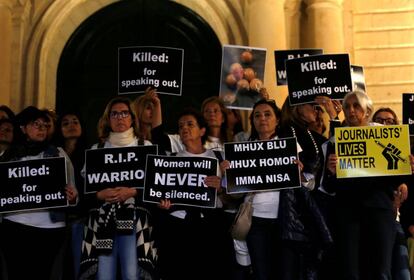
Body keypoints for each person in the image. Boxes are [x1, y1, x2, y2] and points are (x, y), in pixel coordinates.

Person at [324, 91, 413, 280]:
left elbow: (396, 180)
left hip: (380, 212)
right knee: (351, 272)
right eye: (347, 106)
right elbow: (329, 187)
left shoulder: (384, 138)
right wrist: (331, 172)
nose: (351, 110)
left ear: (367, 111)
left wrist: (406, 166)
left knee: (381, 271)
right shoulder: (336, 141)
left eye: (356, 106)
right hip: (348, 216)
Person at [79, 97, 157, 280]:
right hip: (102, 220)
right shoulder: (96, 149)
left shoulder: (145, 147)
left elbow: (155, 187)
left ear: (132, 118)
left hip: (136, 221)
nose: (120, 117)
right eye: (114, 114)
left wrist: (133, 192)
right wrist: (99, 194)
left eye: (124, 113)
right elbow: (84, 190)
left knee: (131, 274)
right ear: (108, 119)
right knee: (104, 275)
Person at [0, 106, 78, 280]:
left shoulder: (58, 153)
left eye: (45, 125)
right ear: (23, 128)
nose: (42, 128)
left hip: (49, 229)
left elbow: (73, 191)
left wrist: (72, 197)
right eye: (36, 124)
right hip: (15, 226)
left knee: (41, 274)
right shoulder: (8, 155)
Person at [156, 107, 222, 280]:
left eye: (190, 124)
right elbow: (160, 194)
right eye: (180, 126)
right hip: (178, 227)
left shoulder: (219, 158)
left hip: (210, 227)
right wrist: (162, 204)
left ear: (202, 130)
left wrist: (222, 187)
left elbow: (234, 198)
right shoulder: (170, 160)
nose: (184, 128)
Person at [373, 107, 411, 280]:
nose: (384, 124)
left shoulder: (406, 154)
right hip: (372, 221)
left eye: (389, 121)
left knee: (402, 272)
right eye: (380, 120)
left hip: (398, 223)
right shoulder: (368, 155)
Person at [53, 111, 88, 279]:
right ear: (59, 129)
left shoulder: (92, 153)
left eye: (75, 121)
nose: (71, 125)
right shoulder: (52, 154)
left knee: (79, 267)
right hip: (57, 221)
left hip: (83, 219)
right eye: (65, 123)